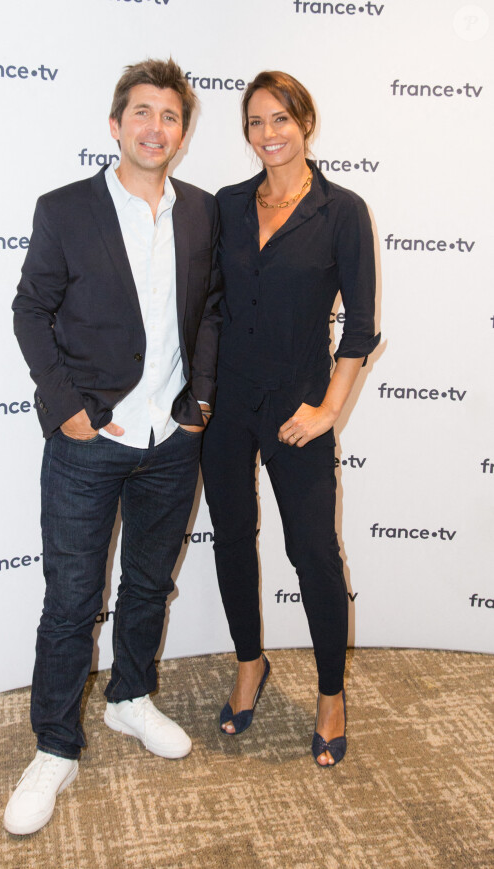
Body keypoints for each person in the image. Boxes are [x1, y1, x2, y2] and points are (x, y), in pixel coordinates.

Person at [4, 58, 221, 835]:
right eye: (140, 112)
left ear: (183, 132)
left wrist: (197, 402)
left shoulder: (200, 212)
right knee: (70, 602)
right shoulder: (64, 209)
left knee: (146, 584)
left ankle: (130, 695)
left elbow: (208, 312)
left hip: (171, 440)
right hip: (89, 439)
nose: (154, 127)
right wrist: (64, 410)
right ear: (115, 124)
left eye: (169, 115)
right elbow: (31, 311)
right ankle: (55, 744)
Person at [201, 71, 379, 766]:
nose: (268, 134)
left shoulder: (343, 211)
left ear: (305, 123)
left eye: (281, 119)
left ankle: (331, 693)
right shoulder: (226, 205)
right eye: (255, 122)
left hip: (299, 406)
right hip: (227, 405)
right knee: (231, 538)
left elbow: (360, 328)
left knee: (312, 551)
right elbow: (209, 306)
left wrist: (329, 408)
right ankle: (251, 661)